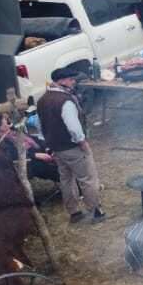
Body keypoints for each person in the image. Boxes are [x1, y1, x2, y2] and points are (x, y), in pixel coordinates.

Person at [38, 68, 105, 224]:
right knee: (88, 179)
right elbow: (74, 128)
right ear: (61, 81)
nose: (73, 82)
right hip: (72, 147)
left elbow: (41, 126)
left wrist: (48, 144)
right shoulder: (65, 101)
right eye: (71, 79)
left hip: (56, 148)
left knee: (66, 180)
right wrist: (83, 143)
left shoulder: (42, 100)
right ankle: (96, 212)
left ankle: (74, 213)